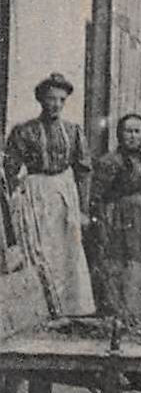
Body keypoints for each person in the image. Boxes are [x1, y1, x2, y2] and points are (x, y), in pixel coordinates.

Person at [3, 74, 95, 317]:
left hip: (64, 191)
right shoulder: (25, 131)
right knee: (39, 246)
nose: (55, 104)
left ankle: (69, 305)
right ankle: (42, 306)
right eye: (50, 98)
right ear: (41, 99)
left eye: (61, 100)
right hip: (36, 192)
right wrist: (15, 197)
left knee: (67, 247)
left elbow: (84, 170)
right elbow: (10, 167)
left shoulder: (73, 131)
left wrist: (83, 209)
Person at [89, 113, 141, 321]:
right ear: (119, 133)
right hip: (124, 219)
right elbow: (97, 196)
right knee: (127, 261)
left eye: (137, 131)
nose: (133, 136)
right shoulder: (110, 161)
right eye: (128, 131)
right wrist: (102, 221)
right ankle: (127, 311)